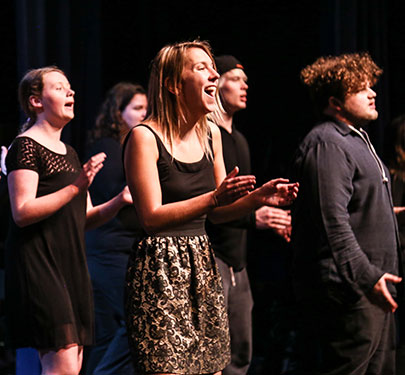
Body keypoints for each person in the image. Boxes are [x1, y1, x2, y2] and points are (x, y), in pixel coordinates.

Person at [123, 40, 299, 375]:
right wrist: (214, 198)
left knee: (213, 368)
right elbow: (150, 218)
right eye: (201, 67)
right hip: (160, 269)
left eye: (213, 68)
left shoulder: (211, 135)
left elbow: (218, 214)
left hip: (202, 266)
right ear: (174, 84)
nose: (214, 74)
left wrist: (259, 197)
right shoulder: (144, 137)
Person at [5, 66, 132, 375]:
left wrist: (120, 201)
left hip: (70, 265)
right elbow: (22, 211)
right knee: (61, 367)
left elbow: (83, 219)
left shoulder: (70, 153)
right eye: (59, 88)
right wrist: (77, 185)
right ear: (36, 102)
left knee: (71, 367)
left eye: (70, 87)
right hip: (40, 263)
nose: (70, 92)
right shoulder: (25, 146)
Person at [291, 52, 402, 375]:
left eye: (371, 86)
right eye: (360, 88)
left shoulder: (355, 141)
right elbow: (332, 222)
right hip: (351, 290)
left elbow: (351, 207)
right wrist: (367, 277)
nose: (373, 93)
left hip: (373, 288)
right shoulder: (327, 143)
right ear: (335, 102)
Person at [205, 55, 292, 375]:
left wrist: (270, 213)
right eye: (236, 79)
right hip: (212, 255)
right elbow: (207, 203)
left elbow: (244, 200)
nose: (245, 85)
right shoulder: (205, 134)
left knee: (240, 353)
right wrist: (256, 216)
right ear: (216, 86)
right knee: (211, 356)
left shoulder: (239, 139)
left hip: (238, 260)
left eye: (244, 80)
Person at [84, 82, 147, 375]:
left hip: (116, 250)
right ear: (117, 114)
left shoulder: (126, 146)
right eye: (137, 109)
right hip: (109, 251)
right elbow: (118, 195)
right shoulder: (108, 147)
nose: (145, 115)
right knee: (132, 323)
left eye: (147, 109)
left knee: (109, 334)